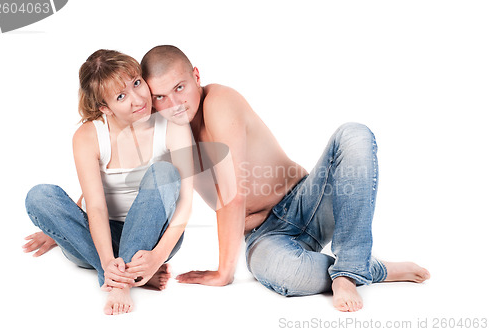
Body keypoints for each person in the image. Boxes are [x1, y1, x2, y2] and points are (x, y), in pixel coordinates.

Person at [139, 45, 430, 312]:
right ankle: (364, 269)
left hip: (307, 200)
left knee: (354, 135)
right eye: (160, 97)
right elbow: (172, 206)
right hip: (264, 236)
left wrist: (223, 273)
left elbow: (233, 193)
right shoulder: (169, 134)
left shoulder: (218, 101)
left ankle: (350, 268)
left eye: (180, 88)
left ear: (196, 76)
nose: (174, 103)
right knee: (286, 273)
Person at [23, 49, 193, 315]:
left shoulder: (173, 125)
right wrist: (104, 258)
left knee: (164, 173)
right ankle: (123, 277)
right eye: (121, 96)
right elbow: (97, 206)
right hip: (100, 240)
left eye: (137, 83)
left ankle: (122, 281)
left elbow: (185, 205)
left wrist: (156, 258)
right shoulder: (88, 136)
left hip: (155, 241)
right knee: (39, 196)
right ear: (105, 107)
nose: (138, 99)